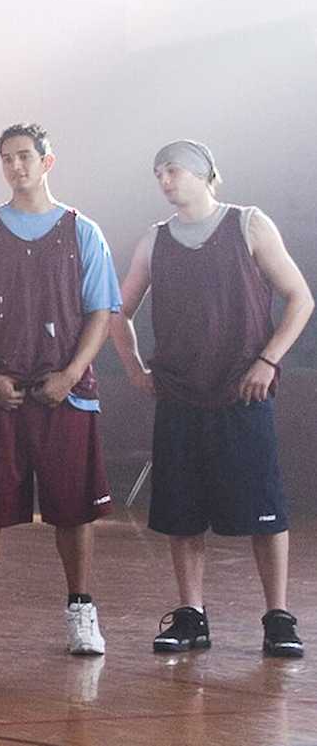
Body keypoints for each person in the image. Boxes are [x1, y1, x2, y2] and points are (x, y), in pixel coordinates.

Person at [109, 139, 313, 657]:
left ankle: (278, 617)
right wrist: (134, 366)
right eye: (158, 173)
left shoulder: (248, 224)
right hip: (180, 394)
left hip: (242, 393)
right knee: (182, 513)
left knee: (265, 510)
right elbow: (118, 310)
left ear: (202, 174)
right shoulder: (155, 241)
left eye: (172, 170)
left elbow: (300, 297)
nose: (164, 180)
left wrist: (267, 361)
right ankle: (191, 615)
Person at [0, 123, 120, 658]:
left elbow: (100, 313)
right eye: (6, 158)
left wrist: (70, 374)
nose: (16, 166)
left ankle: (81, 609)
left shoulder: (82, 230)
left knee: (75, 509)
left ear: (47, 161)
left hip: (66, 391)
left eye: (24, 156)